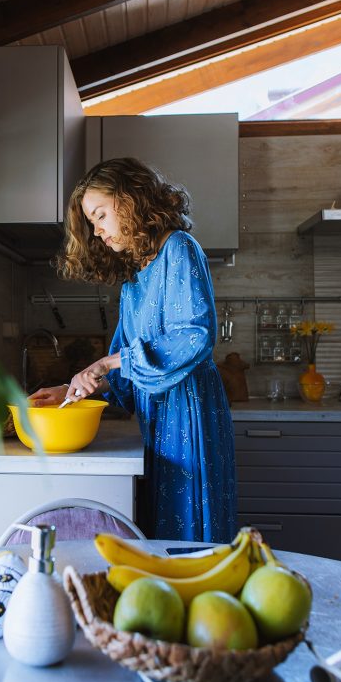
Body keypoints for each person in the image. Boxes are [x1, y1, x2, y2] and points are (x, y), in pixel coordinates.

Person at [28, 158, 237, 543]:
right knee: (162, 525)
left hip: (189, 412)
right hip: (157, 417)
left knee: (190, 525)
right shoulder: (134, 277)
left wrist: (105, 362)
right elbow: (124, 369)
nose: (98, 231)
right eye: (92, 223)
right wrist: (74, 389)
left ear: (131, 199)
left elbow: (194, 336)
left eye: (101, 215)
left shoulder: (179, 248)